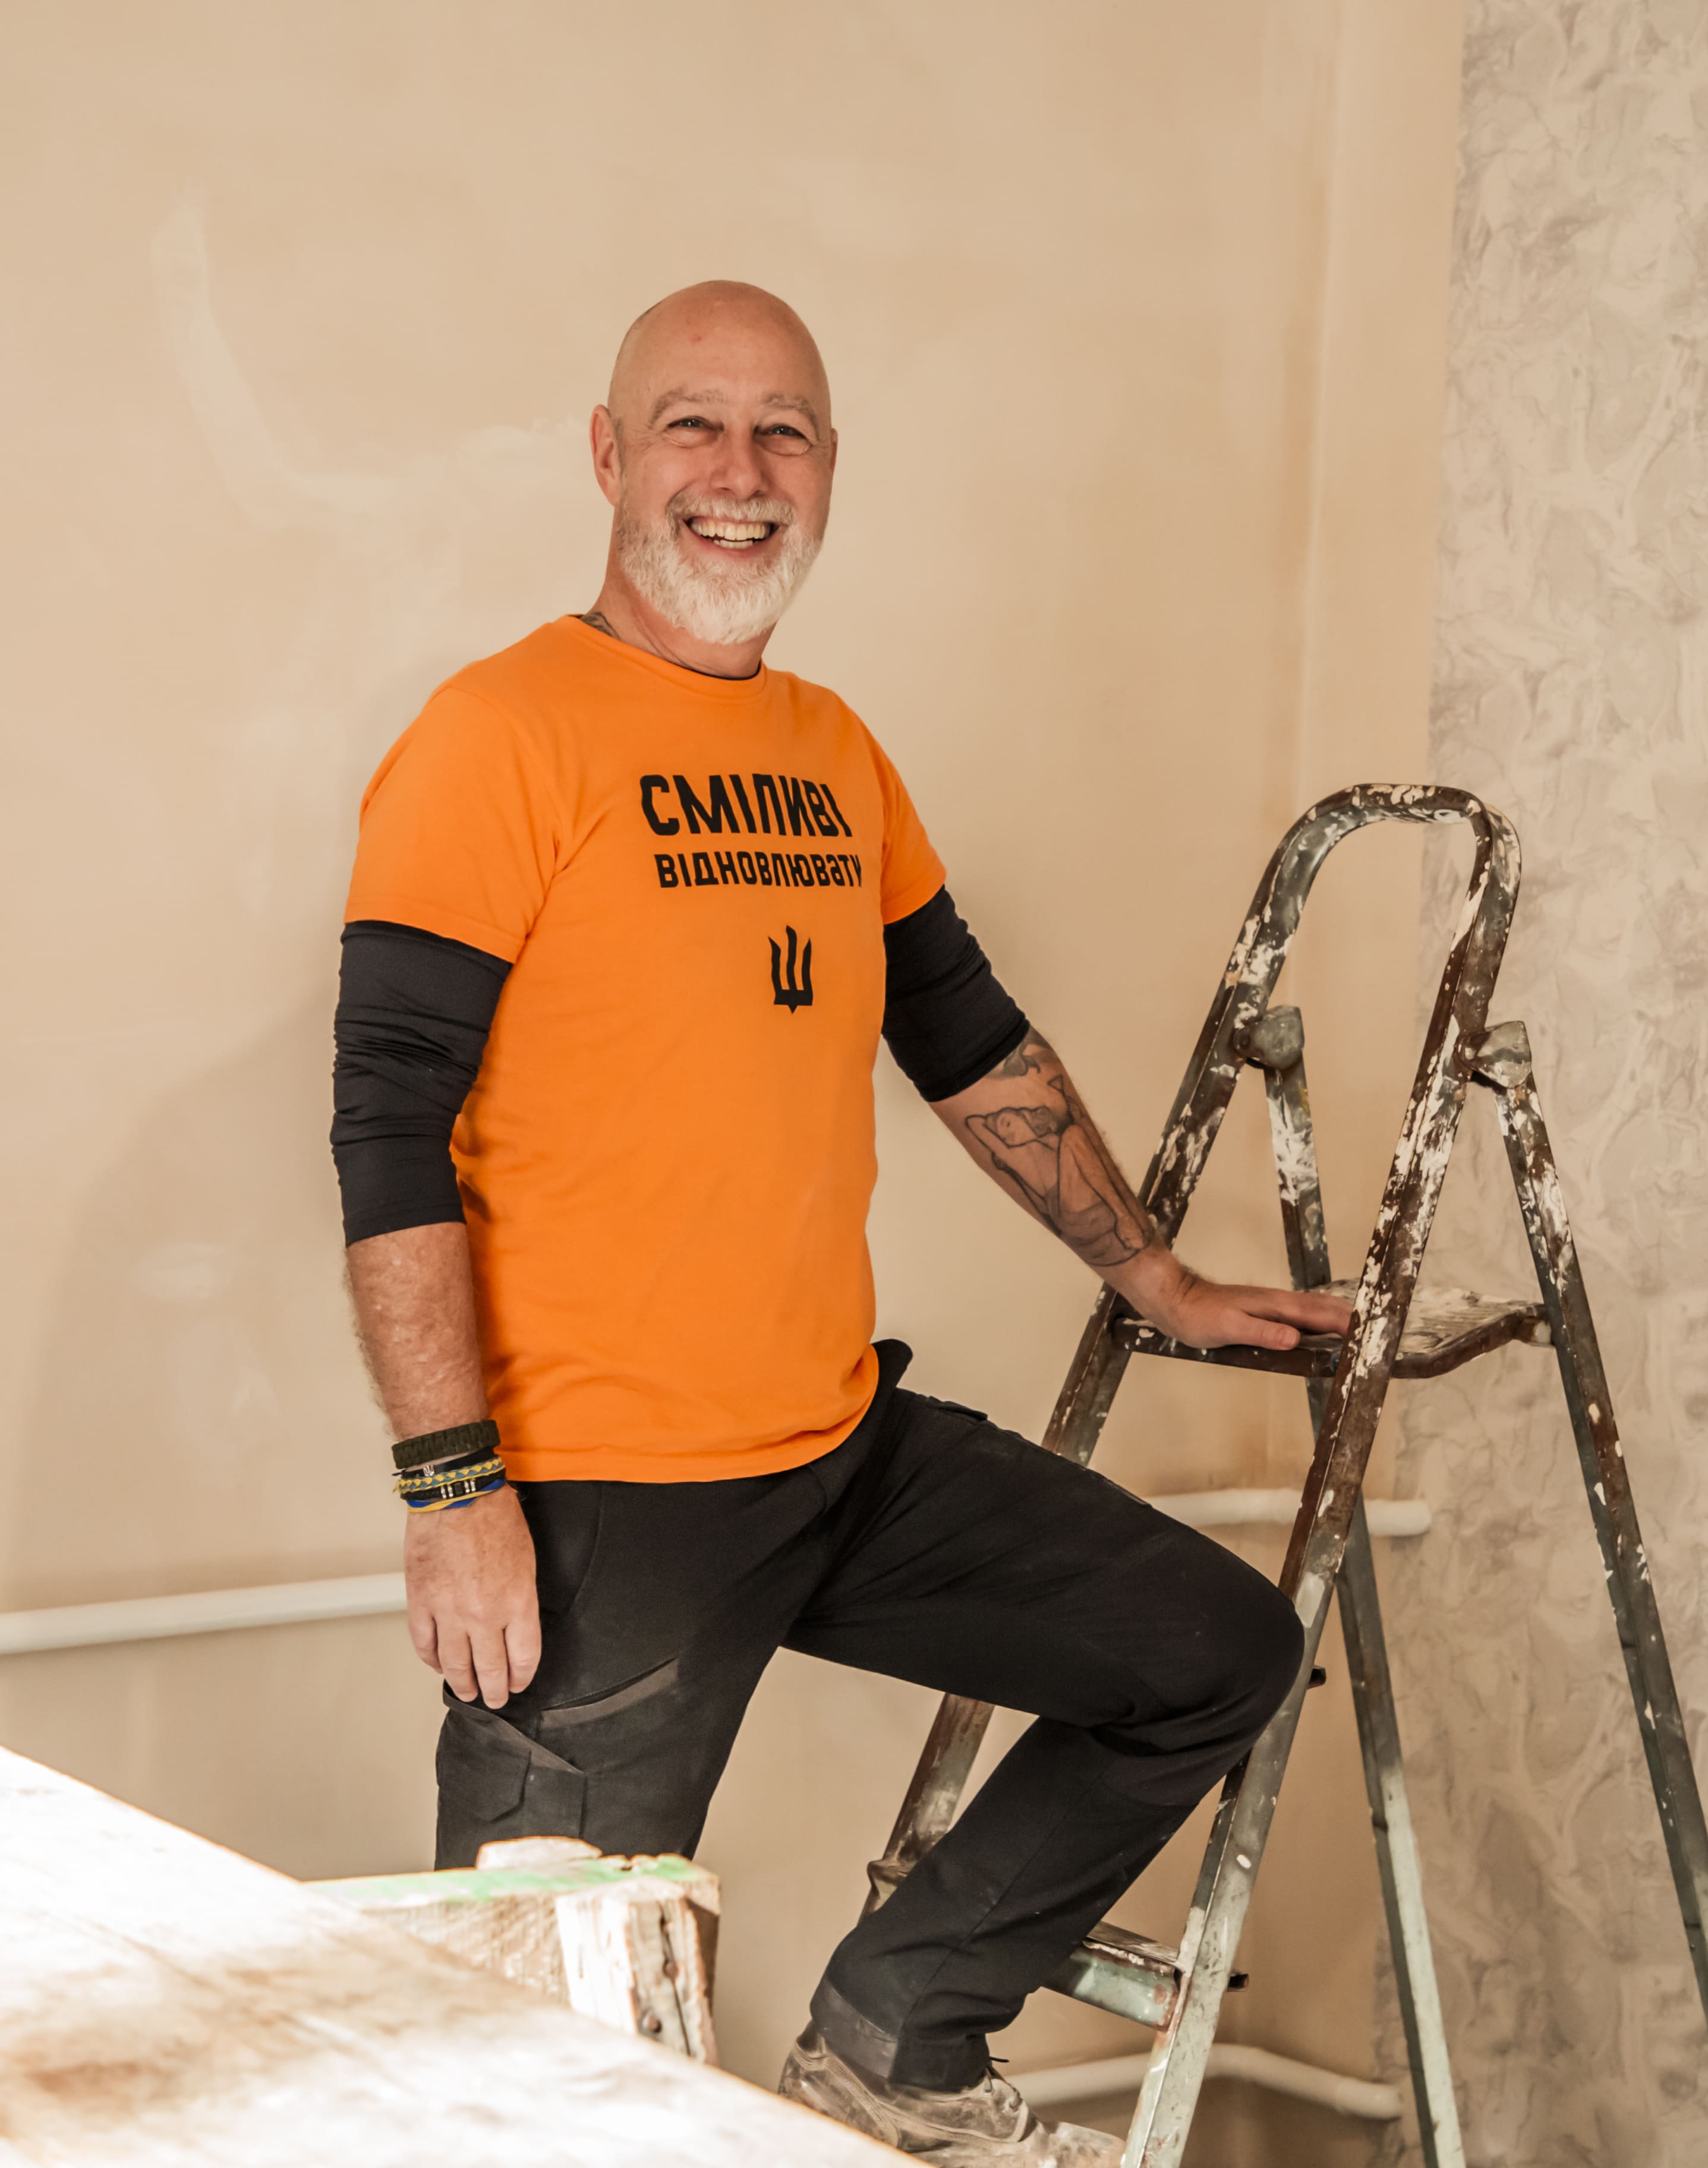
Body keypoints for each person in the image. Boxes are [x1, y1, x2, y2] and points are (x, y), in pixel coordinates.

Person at [329, 281, 1344, 2164]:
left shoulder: (833, 752)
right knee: (528, 2077)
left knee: (1213, 1647)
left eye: (784, 430)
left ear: (828, 472)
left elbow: (964, 1035)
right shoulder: (498, 738)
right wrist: (450, 1491)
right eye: (696, 426)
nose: (741, 473)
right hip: (598, 1510)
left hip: (835, 1449)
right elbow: (386, 1132)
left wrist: (1160, 1277)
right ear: (610, 457)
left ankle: (897, 2036)